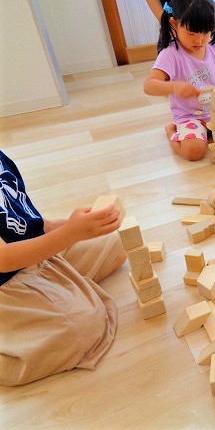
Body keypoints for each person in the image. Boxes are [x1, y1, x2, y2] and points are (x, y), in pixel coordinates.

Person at [0, 150, 126, 386]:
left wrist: (78, 227)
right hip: (8, 281)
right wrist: (71, 233)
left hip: (34, 254)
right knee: (84, 331)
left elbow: (33, 222)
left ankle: (64, 294)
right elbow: (4, 259)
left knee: (114, 242)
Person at [143, 0, 215, 162]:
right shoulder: (170, 54)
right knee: (194, 152)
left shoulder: (213, 47)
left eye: (206, 32)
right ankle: (171, 131)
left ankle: (207, 132)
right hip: (189, 117)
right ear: (174, 24)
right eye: (191, 33)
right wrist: (174, 87)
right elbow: (149, 86)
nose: (199, 40)